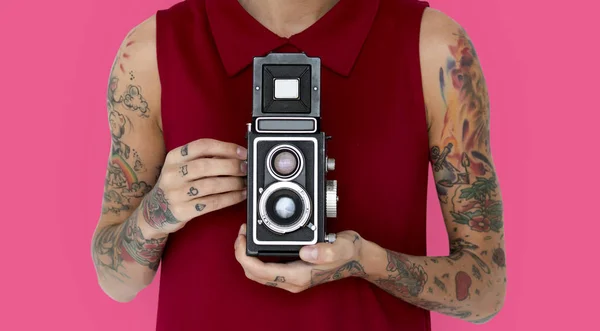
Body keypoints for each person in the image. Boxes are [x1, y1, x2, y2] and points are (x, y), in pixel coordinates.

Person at [91, 0, 507, 330]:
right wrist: (156, 213)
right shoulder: (152, 52)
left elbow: (486, 287)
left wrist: (369, 262)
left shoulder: (433, 47)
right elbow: (115, 281)